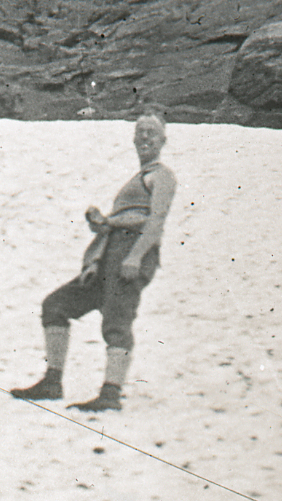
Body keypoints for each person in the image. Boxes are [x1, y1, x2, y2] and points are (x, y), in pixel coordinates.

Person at [11, 110, 175, 412]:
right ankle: (52, 382)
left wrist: (135, 257)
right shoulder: (138, 177)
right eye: (140, 131)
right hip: (107, 256)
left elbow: (156, 222)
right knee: (56, 305)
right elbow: (130, 217)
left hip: (130, 253)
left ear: (164, 139)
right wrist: (104, 222)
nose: (144, 137)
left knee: (117, 319)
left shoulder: (162, 175)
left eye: (151, 131)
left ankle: (111, 393)